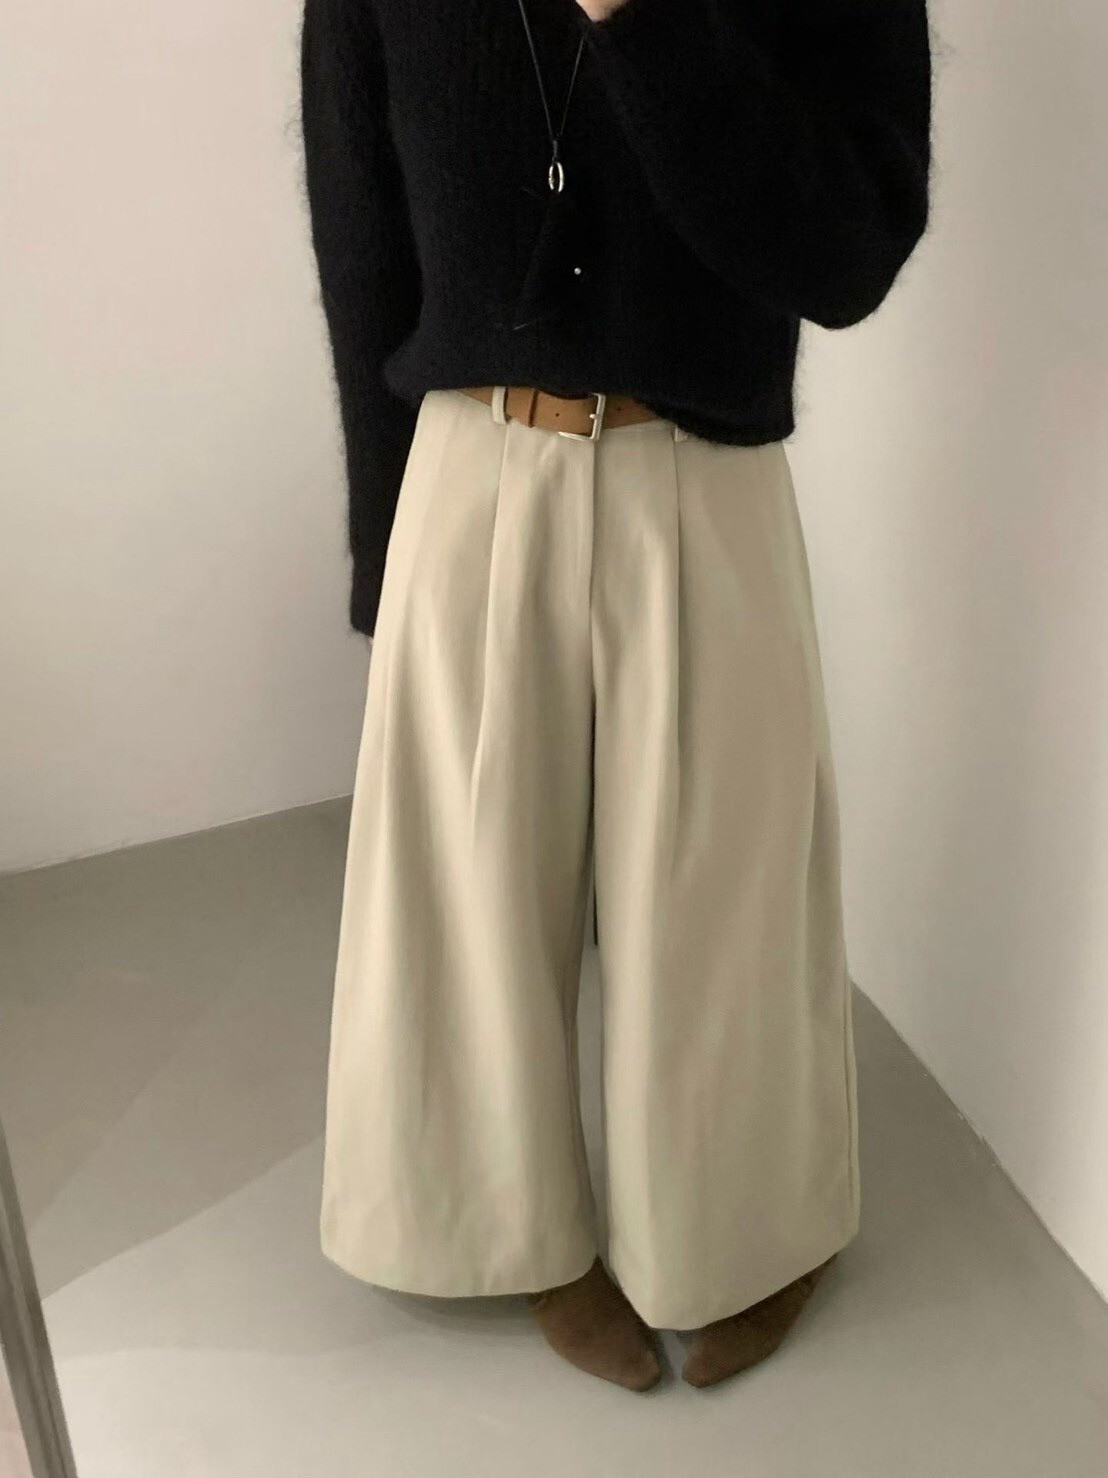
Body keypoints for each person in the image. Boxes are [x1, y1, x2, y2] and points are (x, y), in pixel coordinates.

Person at [299, 0, 932, 1392]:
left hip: (702, 475)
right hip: (473, 470)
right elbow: (364, 243)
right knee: (461, 888)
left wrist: (644, 22)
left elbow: (847, 253)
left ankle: (745, 1230)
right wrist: (382, 549)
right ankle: (509, 1227)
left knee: (724, 891)